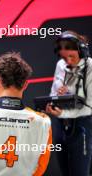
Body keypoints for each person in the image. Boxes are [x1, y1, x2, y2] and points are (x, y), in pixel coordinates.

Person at [46, 31, 92, 176]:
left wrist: (64, 111)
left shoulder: (90, 68)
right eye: (64, 57)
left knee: (80, 173)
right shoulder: (61, 65)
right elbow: (52, 94)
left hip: (82, 125)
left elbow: (90, 107)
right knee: (65, 171)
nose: (68, 61)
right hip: (61, 124)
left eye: (71, 56)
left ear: (82, 52)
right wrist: (55, 98)